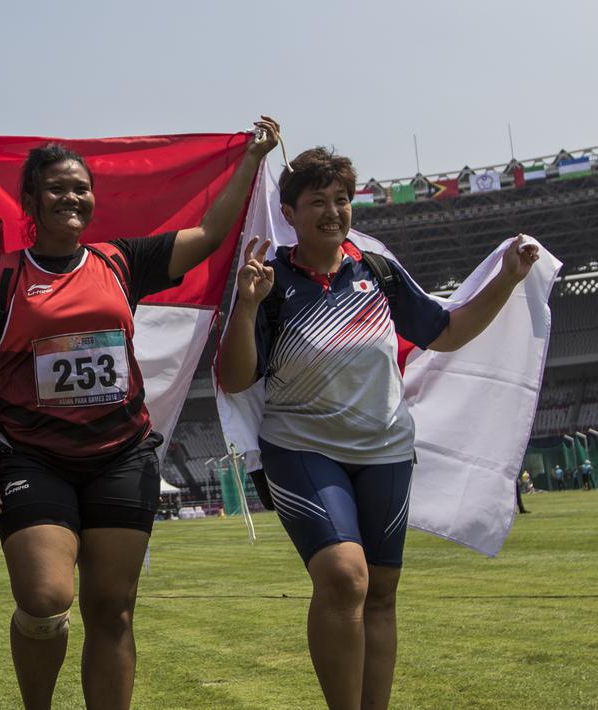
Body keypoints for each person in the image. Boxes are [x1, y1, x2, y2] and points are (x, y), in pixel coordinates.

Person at [0, 118, 280, 710]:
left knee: (112, 611)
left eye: (81, 187)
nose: (72, 197)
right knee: (46, 600)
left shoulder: (121, 261)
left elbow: (208, 234)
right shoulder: (0, 280)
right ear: (29, 201)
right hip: (32, 458)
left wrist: (250, 159)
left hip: (122, 458)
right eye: (56, 188)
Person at [216, 147, 539, 710]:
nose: (333, 211)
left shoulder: (378, 271)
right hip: (302, 449)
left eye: (341, 199)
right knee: (344, 577)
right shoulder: (270, 282)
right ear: (288, 213)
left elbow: (447, 331)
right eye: (317, 201)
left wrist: (507, 280)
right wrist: (246, 308)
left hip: (387, 450)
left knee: (382, 595)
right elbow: (235, 377)